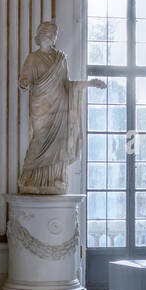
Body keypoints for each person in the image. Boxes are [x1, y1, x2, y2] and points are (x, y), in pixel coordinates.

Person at [17, 20, 105, 194]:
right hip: (41, 108)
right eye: (48, 33)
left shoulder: (60, 59)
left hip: (61, 106)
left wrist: (89, 83)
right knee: (40, 140)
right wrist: (24, 83)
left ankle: (57, 179)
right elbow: (24, 80)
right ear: (40, 35)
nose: (51, 37)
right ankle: (28, 177)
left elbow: (67, 85)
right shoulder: (33, 58)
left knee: (59, 143)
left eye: (53, 34)